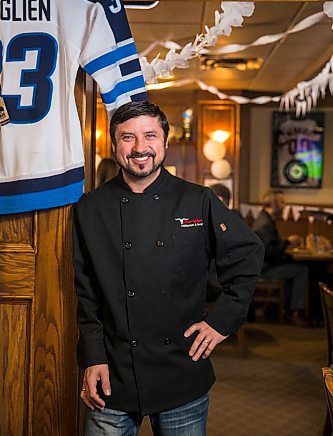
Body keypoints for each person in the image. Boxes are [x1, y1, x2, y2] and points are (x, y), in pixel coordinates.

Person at [73, 101, 264, 436]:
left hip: (181, 372)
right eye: (127, 138)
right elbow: (86, 291)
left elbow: (248, 254)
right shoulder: (90, 208)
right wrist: (93, 356)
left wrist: (222, 322)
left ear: (164, 142)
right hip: (113, 375)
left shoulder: (198, 200)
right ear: (114, 145)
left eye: (150, 135)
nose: (140, 148)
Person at [251, 190, 309, 326]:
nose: (284, 205)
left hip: (263, 265)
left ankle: (283, 309)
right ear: (273, 204)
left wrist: (285, 244)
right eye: (281, 202)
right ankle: (295, 311)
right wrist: (288, 242)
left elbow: (271, 246)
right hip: (263, 269)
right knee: (301, 271)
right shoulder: (265, 223)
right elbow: (270, 252)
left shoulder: (264, 218)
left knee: (294, 267)